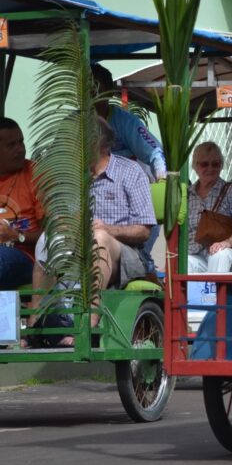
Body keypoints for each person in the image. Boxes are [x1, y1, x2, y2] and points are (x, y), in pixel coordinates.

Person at [26, 117, 156, 346]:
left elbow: (144, 231)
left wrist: (109, 229)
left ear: (96, 142)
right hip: (78, 250)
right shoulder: (73, 177)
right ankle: (35, 322)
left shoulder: (130, 171)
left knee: (99, 237)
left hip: (125, 256)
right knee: (48, 238)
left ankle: (90, 321)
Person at [91, 63, 167, 181]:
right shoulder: (71, 123)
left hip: (126, 185)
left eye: (97, 88)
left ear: (110, 92)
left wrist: (162, 179)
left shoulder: (126, 122)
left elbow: (155, 154)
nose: (92, 93)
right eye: (87, 89)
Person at [187, 141, 232, 274]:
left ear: (221, 165)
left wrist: (227, 243)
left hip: (226, 252)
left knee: (219, 255)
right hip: (195, 254)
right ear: (195, 166)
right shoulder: (186, 195)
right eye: (204, 164)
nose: (210, 168)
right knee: (185, 262)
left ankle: (214, 289)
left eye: (215, 164)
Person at [0, 118, 42, 289]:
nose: (20, 149)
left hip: (25, 257)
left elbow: (54, 234)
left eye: (21, 142)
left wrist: (17, 236)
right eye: (11, 145)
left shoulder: (37, 174)